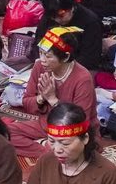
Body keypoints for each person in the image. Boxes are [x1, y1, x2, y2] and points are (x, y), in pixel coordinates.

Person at [10, 25, 98, 157]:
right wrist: (41, 98)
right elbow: (27, 104)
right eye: (41, 53)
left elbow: (80, 121)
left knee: (76, 148)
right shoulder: (39, 67)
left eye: (48, 56)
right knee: (4, 133)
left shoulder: (83, 78)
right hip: (45, 125)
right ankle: (48, 149)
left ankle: (51, 148)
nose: (43, 60)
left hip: (72, 132)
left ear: (66, 57)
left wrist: (53, 100)